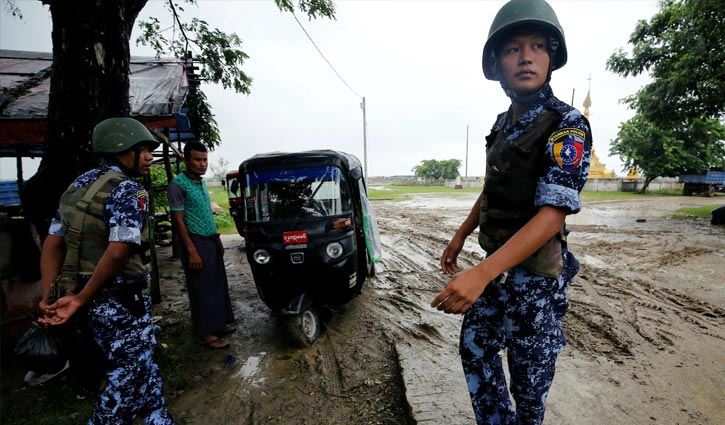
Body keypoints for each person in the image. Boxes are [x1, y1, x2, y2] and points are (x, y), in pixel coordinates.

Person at [430, 0, 592, 423]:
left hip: (536, 280)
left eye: (538, 46)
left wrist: (479, 275)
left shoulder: (566, 124)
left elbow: (553, 214)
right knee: (476, 349)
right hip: (498, 270)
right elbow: (492, 188)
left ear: (551, 58)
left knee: (529, 385)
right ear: (496, 64)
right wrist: (462, 233)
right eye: (513, 49)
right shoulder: (504, 123)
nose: (525, 57)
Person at [39, 117, 174, 424]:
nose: (150, 157)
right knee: (125, 377)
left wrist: (50, 295)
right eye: (143, 150)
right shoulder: (128, 191)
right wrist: (82, 298)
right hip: (117, 297)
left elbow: (52, 244)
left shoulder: (77, 186)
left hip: (89, 297)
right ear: (122, 150)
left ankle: (157, 418)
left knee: (144, 359)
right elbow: (117, 252)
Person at [168, 142, 235, 349]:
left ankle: (219, 323)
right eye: (197, 159)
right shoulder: (178, 185)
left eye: (204, 159)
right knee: (202, 289)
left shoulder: (201, 182)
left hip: (210, 240)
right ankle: (205, 334)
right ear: (186, 160)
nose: (202, 164)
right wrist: (191, 250)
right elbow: (178, 221)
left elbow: (206, 213)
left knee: (217, 284)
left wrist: (218, 239)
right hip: (195, 242)